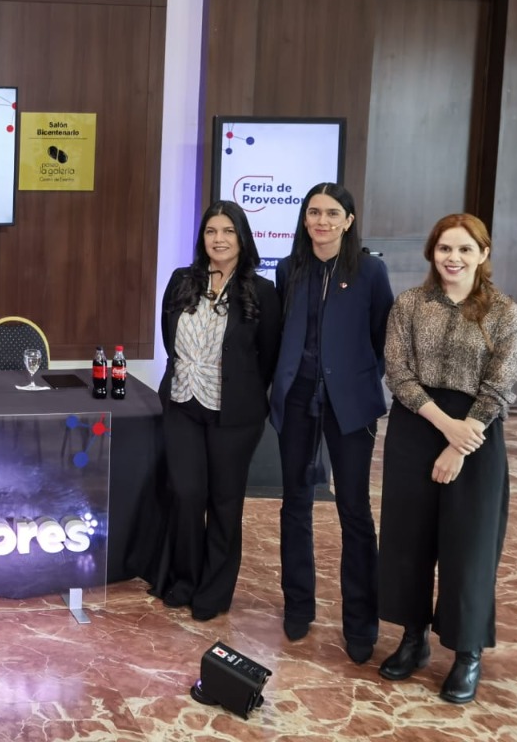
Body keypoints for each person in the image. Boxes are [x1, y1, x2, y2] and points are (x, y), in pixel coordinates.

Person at [377, 214, 517, 704]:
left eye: (464, 249)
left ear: (483, 254)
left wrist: (462, 441)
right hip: (418, 426)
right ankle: (413, 638)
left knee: (469, 547)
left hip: (477, 435)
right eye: (444, 249)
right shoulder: (410, 305)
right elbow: (398, 374)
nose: (453, 259)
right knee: (408, 540)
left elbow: (500, 386)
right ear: (431, 253)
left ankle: (467, 654)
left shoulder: (503, 312)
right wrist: (447, 429)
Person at [270, 182, 394, 664]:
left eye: (331, 213)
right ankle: (298, 605)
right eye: (313, 212)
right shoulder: (289, 269)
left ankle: (361, 621)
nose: (321, 221)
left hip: (350, 404)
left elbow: (384, 337)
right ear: (304, 220)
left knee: (354, 511)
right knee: (295, 504)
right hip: (298, 397)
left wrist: (358, 380)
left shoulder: (370, 271)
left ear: (348, 220)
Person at [157, 200, 281, 621]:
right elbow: (167, 336)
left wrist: (241, 386)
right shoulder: (181, 280)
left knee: (225, 504)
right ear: (202, 238)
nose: (219, 239)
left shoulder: (263, 292)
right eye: (212, 231)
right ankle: (184, 579)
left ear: (242, 237)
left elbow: (267, 357)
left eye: (228, 231)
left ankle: (214, 590)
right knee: (187, 495)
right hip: (182, 403)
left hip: (235, 414)